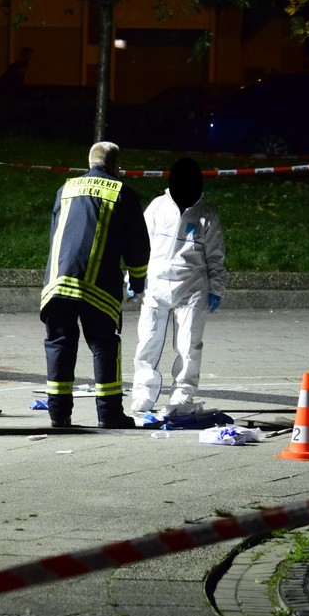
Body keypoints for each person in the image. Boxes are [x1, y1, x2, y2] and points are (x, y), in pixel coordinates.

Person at [40, 141, 150, 429]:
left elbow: (55, 234)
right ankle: (109, 413)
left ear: (89, 163)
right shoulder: (121, 192)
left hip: (58, 282)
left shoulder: (65, 190)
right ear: (115, 166)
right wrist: (137, 279)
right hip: (97, 285)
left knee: (59, 345)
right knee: (103, 344)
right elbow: (137, 244)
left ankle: (58, 414)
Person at [130, 157, 227, 416]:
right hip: (156, 284)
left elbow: (215, 255)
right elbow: (140, 245)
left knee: (189, 345)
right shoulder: (157, 208)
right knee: (148, 341)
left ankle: (183, 392)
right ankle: (143, 392)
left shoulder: (206, 215)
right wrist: (133, 278)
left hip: (192, 288)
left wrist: (216, 288)